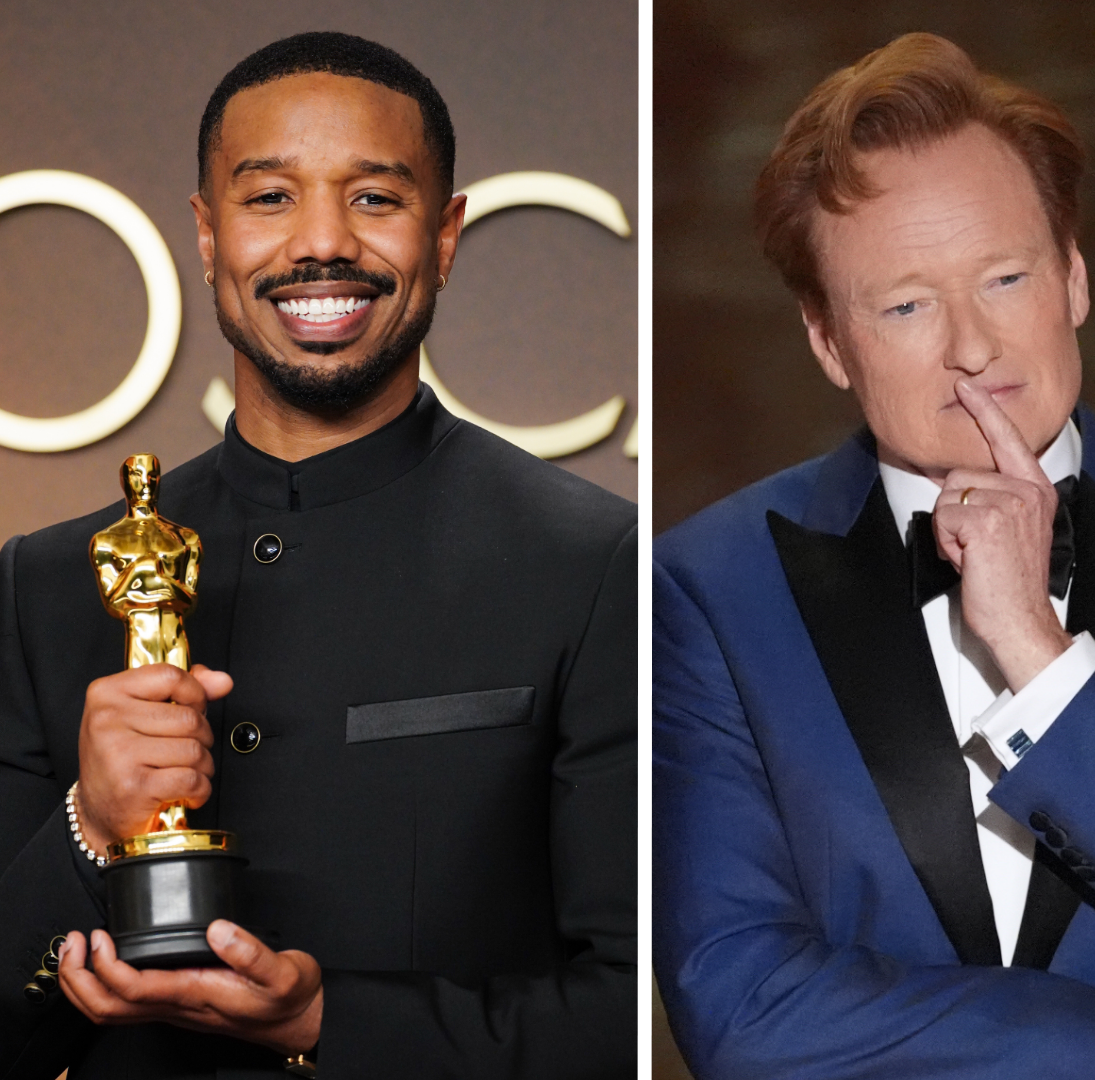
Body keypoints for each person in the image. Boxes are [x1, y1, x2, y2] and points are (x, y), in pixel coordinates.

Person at [0, 32, 636, 1077]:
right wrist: (87, 828)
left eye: (376, 199)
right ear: (207, 236)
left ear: (447, 235)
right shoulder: (45, 583)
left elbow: (625, 1019)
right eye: (270, 199)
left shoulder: (590, 564)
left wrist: (325, 1022)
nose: (323, 244)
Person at [653, 33, 1095, 1080]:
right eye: (905, 306)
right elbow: (739, 1007)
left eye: (1005, 277)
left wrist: (1036, 646)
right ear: (825, 340)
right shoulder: (708, 587)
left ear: (1073, 277)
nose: (973, 348)